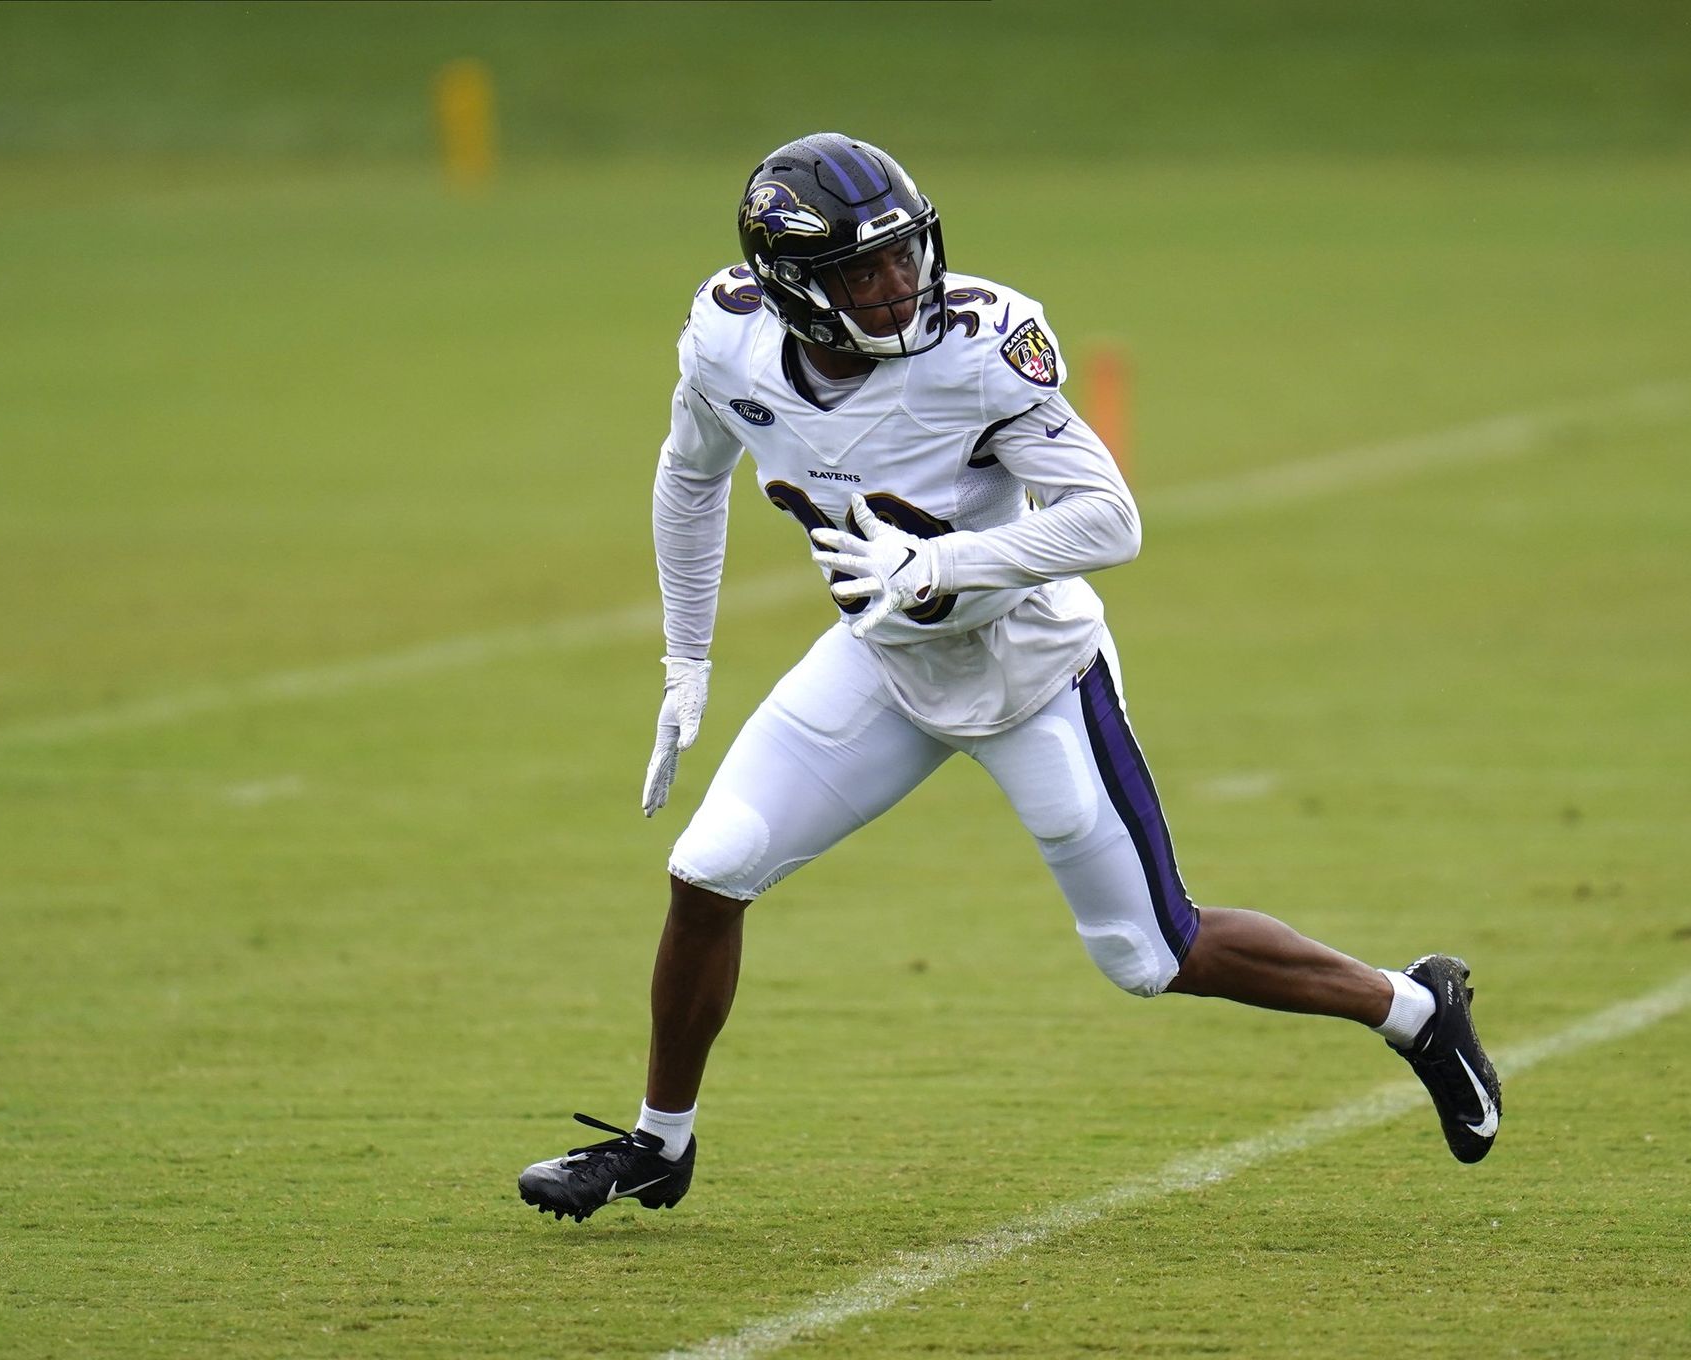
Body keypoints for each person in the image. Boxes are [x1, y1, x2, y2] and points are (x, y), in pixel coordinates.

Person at [518, 133, 1501, 1222]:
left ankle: (1415, 1009)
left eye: (905, 256)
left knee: (1149, 951)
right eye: (864, 271)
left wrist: (939, 560)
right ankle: (661, 1143)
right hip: (885, 660)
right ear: (793, 289)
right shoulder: (729, 339)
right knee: (710, 867)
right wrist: (686, 657)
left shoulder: (979, 345)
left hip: (1029, 666)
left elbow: (1109, 519)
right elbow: (688, 476)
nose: (901, 286)